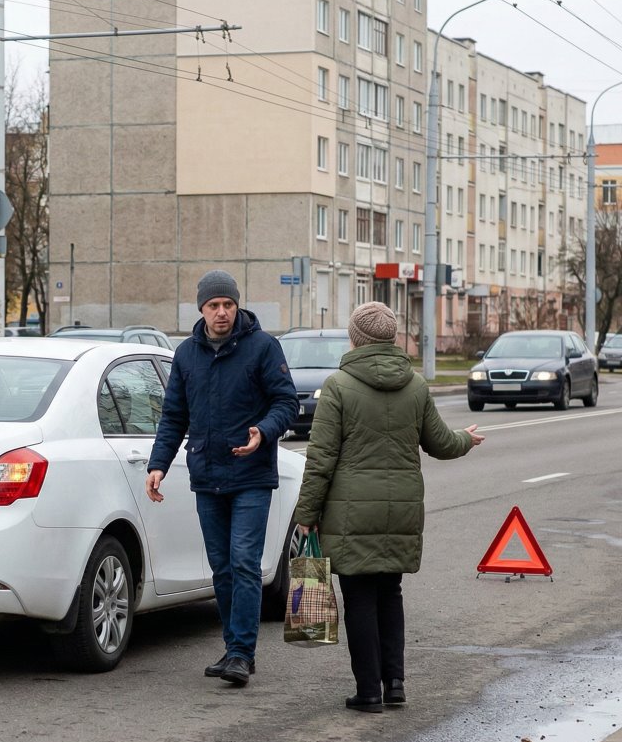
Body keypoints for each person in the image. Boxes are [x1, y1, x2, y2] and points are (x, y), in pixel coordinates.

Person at [292, 301, 484, 713]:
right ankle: (394, 683)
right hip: (401, 508)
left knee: (359, 597)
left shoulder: (339, 386)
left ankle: (368, 692)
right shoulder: (415, 386)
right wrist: (467, 438)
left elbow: (320, 460)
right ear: (392, 338)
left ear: (355, 338)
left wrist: (306, 515)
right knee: (390, 592)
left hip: (351, 513)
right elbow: (441, 444)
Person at [145, 270, 299, 687]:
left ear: (237, 306)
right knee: (221, 569)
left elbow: (287, 402)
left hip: (251, 475)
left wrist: (263, 431)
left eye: (228, 305)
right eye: (214, 306)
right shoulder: (186, 354)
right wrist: (157, 464)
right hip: (207, 476)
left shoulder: (263, 348)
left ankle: (241, 652)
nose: (222, 313)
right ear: (202, 309)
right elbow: (174, 416)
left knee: (244, 562)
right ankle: (234, 650)